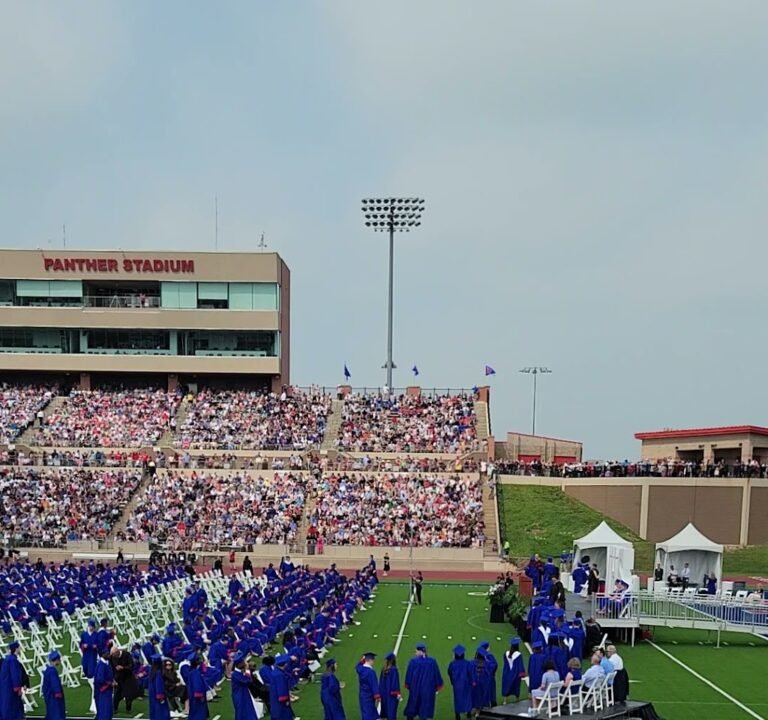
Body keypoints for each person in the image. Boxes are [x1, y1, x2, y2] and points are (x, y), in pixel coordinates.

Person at [403, 643, 443, 720]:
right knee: (425, 707)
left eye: (416, 651)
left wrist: (408, 685)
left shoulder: (413, 661)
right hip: (428, 689)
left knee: (413, 704)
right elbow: (436, 675)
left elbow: (409, 675)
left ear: (421, 652)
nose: (415, 653)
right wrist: (437, 687)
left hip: (415, 688)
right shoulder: (432, 662)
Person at [111, 644, 141, 714]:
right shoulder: (113, 657)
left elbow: (132, 665)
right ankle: (115, 708)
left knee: (129, 695)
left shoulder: (127, 655)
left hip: (128, 677)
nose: (113, 656)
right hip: (118, 678)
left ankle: (128, 709)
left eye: (114, 654)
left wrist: (123, 667)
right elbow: (112, 667)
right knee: (117, 694)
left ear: (117, 652)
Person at [0, 641, 26, 720]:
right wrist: (18, 688)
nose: (20, 649)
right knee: (12, 708)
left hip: (5, 687)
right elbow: (15, 675)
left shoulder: (7, 659)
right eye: (19, 647)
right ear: (16, 649)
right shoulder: (13, 660)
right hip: (11, 688)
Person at [230, 652, 260, 720]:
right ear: (240, 664)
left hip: (243, 693)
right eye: (244, 662)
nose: (246, 663)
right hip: (240, 696)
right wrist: (247, 670)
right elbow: (248, 681)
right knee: (242, 713)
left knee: (248, 711)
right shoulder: (236, 675)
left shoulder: (238, 672)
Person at [447, 644, 473, 720]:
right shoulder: (468, 663)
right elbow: (470, 673)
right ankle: (468, 713)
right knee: (467, 698)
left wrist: (452, 682)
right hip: (466, 684)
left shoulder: (452, 664)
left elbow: (450, 673)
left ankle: (457, 715)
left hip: (457, 685)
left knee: (457, 699)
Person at [356, 652, 380, 720]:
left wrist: (362, 660)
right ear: (369, 660)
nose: (374, 661)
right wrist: (377, 695)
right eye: (373, 660)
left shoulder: (361, 669)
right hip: (369, 695)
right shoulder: (370, 672)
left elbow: (357, 666)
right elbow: (374, 684)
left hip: (363, 694)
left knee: (366, 711)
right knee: (368, 713)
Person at [269, 655, 294, 720]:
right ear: (285, 664)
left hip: (274, 697)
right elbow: (281, 688)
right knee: (283, 715)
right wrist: (285, 700)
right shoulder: (280, 675)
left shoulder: (275, 672)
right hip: (280, 701)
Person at [42, 651, 66, 720]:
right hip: (54, 697)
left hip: (49, 696)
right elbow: (55, 684)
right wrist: (58, 692)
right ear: (56, 660)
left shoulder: (48, 670)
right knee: (56, 713)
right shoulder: (52, 671)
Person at [501, 637, 526, 703]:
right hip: (515, 673)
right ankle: (517, 699)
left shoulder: (506, 654)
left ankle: (505, 700)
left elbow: (506, 663)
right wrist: (522, 674)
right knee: (516, 687)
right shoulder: (518, 655)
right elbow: (520, 665)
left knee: (506, 685)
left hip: (507, 672)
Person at [378, 652, 400, 720]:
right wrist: (397, 693)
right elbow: (395, 682)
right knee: (391, 712)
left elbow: (381, 682)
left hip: (384, 694)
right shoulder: (394, 670)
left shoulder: (383, 669)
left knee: (385, 710)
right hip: (391, 694)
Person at [148, 655, 171, 720]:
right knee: (161, 711)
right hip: (158, 694)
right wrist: (160, 696)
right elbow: (159, 685)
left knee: (154, 710)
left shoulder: (151, 671)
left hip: (152, 694)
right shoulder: (158, 673)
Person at [94, 649, 115, 720]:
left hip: (107, 691)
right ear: (103, 655)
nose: (109, 655)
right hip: (103, 692)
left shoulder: (107, 663)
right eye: (107, 653)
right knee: (105, 710)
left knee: (108, 709)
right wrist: (110, 683)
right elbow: (100, 679)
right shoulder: (101, 665)